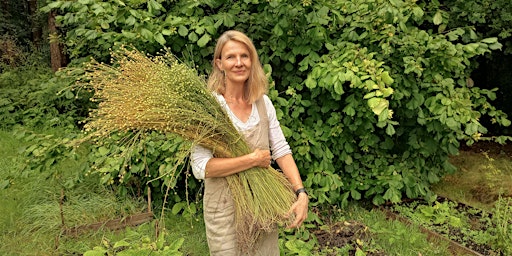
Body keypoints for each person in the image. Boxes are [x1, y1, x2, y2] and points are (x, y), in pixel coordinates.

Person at [190, 30, 309, 255]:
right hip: (224, 209)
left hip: (262, 205)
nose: (239, 63)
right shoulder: (210, 109)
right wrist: (253, 159)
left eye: (244, 56)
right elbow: (201, 168)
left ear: (252, 61)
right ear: (219, 63)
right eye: (230, 57)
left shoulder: (263, 103)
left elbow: (282, 150)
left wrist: (300, 192)